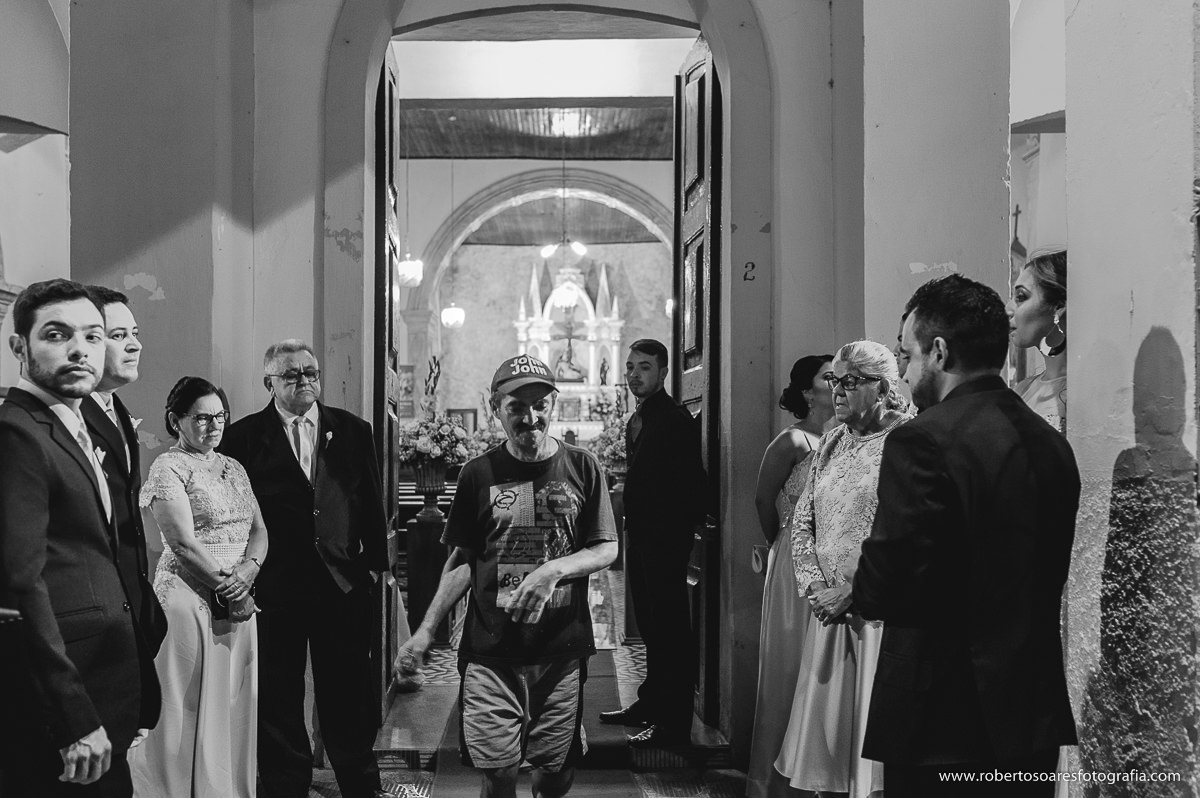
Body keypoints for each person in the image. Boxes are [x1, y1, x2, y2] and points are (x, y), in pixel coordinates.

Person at [853, 274, 1079, 796]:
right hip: (1028, 709)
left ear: (938, 351)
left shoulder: (922, 440)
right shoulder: (1050, 443)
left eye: (906, 356)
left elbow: (886, 582)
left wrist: (862, 585)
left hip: (941, 711)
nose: (906, 375)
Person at [394, 354, 618, 798]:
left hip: (560, 647)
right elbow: (461, 561)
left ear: (554, 404)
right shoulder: (478, 474)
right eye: (516, 406)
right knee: (497, 774)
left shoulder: (583, 466)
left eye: (540, 405)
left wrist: (554, 570)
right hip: (490, 649)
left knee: (555, 775)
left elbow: (606, 546)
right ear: (496, 407)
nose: (530, 418)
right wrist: (424, 632)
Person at [0, 278, 156, 796]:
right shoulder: (18, 433)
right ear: (19, 346)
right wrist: (71, 715)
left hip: (102, 676)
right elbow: (18, 587)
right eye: (56, 334)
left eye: (93, 336)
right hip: (65, 693)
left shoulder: (68, 423)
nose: (79, 350)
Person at [219, 339, 390, 798]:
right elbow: (235, 515)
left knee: (349, 695)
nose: (305, 381)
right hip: (276, 590)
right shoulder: (242, 437)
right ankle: (285, 787)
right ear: (268, 382)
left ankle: (359, 784)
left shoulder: (353, 429)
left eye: (311, 372)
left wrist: (374, 568)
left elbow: (370, 502)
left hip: (343, 586)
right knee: (278, 699)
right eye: (292, 374)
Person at [774, 341, 909, 798]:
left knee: (875, 766)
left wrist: (852, 591)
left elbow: (907, 530)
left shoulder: (907, 440)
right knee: (829, 756)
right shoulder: (831, 441)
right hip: (829, 613)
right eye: (834, 379)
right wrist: (814, 586)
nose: (837, 389)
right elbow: (802, 521)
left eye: (850, 380)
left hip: (879, 615)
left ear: (884, 387)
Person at [128, 376, 268, 796]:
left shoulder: (234, 467)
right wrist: (233, 588)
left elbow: (260, 530)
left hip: (238, 601)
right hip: (187, 603)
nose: (213, 426)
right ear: (176, 420)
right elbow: (182, 543)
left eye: (219, 416)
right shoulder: (168, 466)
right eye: (201, 418)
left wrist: (250, 569)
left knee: (232, 705)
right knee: (182, 710)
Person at [598, 339, 706, 747]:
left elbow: (691, 484)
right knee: (649, 628)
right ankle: (649, 702)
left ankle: (673, 725)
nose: (633, 375)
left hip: (665, 540)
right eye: (629, 367)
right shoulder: (638, 417)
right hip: (643, 537)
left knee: (669, 633)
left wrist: (676, 530)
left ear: (663, 373)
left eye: (643, 367)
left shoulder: (673, 420)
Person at [746, 353, 834, 798]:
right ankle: (772, 783)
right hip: (793, 567)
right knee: (789, 668)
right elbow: (764, 501)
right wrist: (785, 546)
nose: (837, 382)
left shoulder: (848, 439)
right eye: (827, 376)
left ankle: (819, 775)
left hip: (833, 569)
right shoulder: (793, 441)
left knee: (824, 671)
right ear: (807, 391)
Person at [81, 287, 167, 692]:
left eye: (134, 333)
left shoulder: (116, 409)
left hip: (131, 602)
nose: (135, 345)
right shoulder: (74, 416)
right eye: (118, 336)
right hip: (94, 611)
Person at [1007, 249, 1067, 433]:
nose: (1009, 309)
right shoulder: (1021, 390)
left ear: (1058, 308)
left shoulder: (1085, 393)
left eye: (1021, 297)